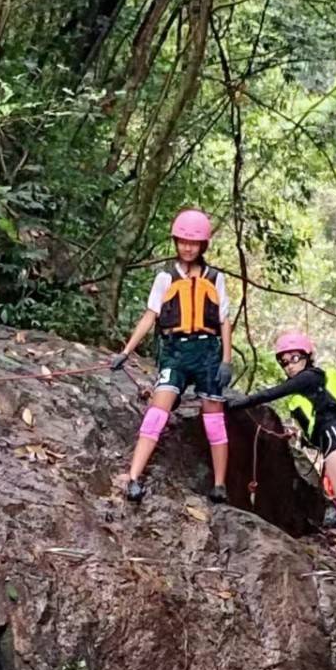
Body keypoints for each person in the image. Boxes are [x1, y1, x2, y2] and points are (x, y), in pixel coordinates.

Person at [227, 332, 336, 584]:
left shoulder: (309, 377)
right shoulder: (316, 382)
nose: (290, 366)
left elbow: (273, 393)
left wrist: (239, 403)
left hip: (335, 438)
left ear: (307, 357)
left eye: (294, 358)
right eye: (284, 362)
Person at [111, 209, 232, 506]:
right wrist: (126, 351)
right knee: (157, 410)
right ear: (176, 242)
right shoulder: (166, 276)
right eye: (183, 242)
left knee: (213, 417)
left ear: (203, 245)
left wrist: (226, 360)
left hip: (207, 352)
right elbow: (151, 315)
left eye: (194, 243)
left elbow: (224, 320)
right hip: (175, 351)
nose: (188, 248)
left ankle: (219, 484)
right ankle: (134, 477)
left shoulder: (215, 278)